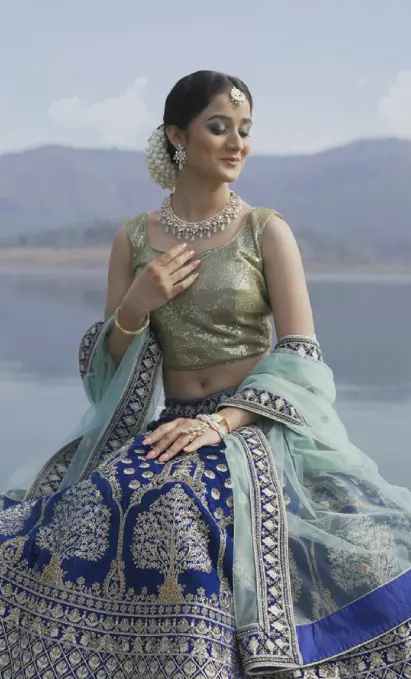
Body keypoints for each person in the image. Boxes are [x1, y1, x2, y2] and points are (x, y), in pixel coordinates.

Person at [0, 70, 410, 679]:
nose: (236, 142)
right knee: (90, 507)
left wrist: (223, 420)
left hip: (252, 425)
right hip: (172, 425)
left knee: (177, 509)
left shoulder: (266, 231)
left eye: (245, 130)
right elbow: (102, 375)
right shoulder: (133, 239)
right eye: (219, 127)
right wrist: (136, 306)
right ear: (177, 137)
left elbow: (302, 354)